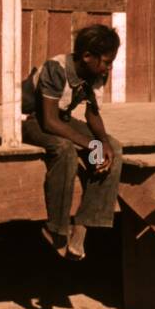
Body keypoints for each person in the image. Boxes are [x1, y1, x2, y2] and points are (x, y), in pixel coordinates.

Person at [22, 24, 124, 261]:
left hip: (61, 117)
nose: (109, 67)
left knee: (115, 149)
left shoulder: (98, 72)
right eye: (107, 62)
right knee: (65, 149)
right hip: (30, 119)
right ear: (87, 56)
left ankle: (83, 227)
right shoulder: (56, 68)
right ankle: (56, 228)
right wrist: (91, 145)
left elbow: (92, 114)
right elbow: (48, 122)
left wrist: (102, 143)